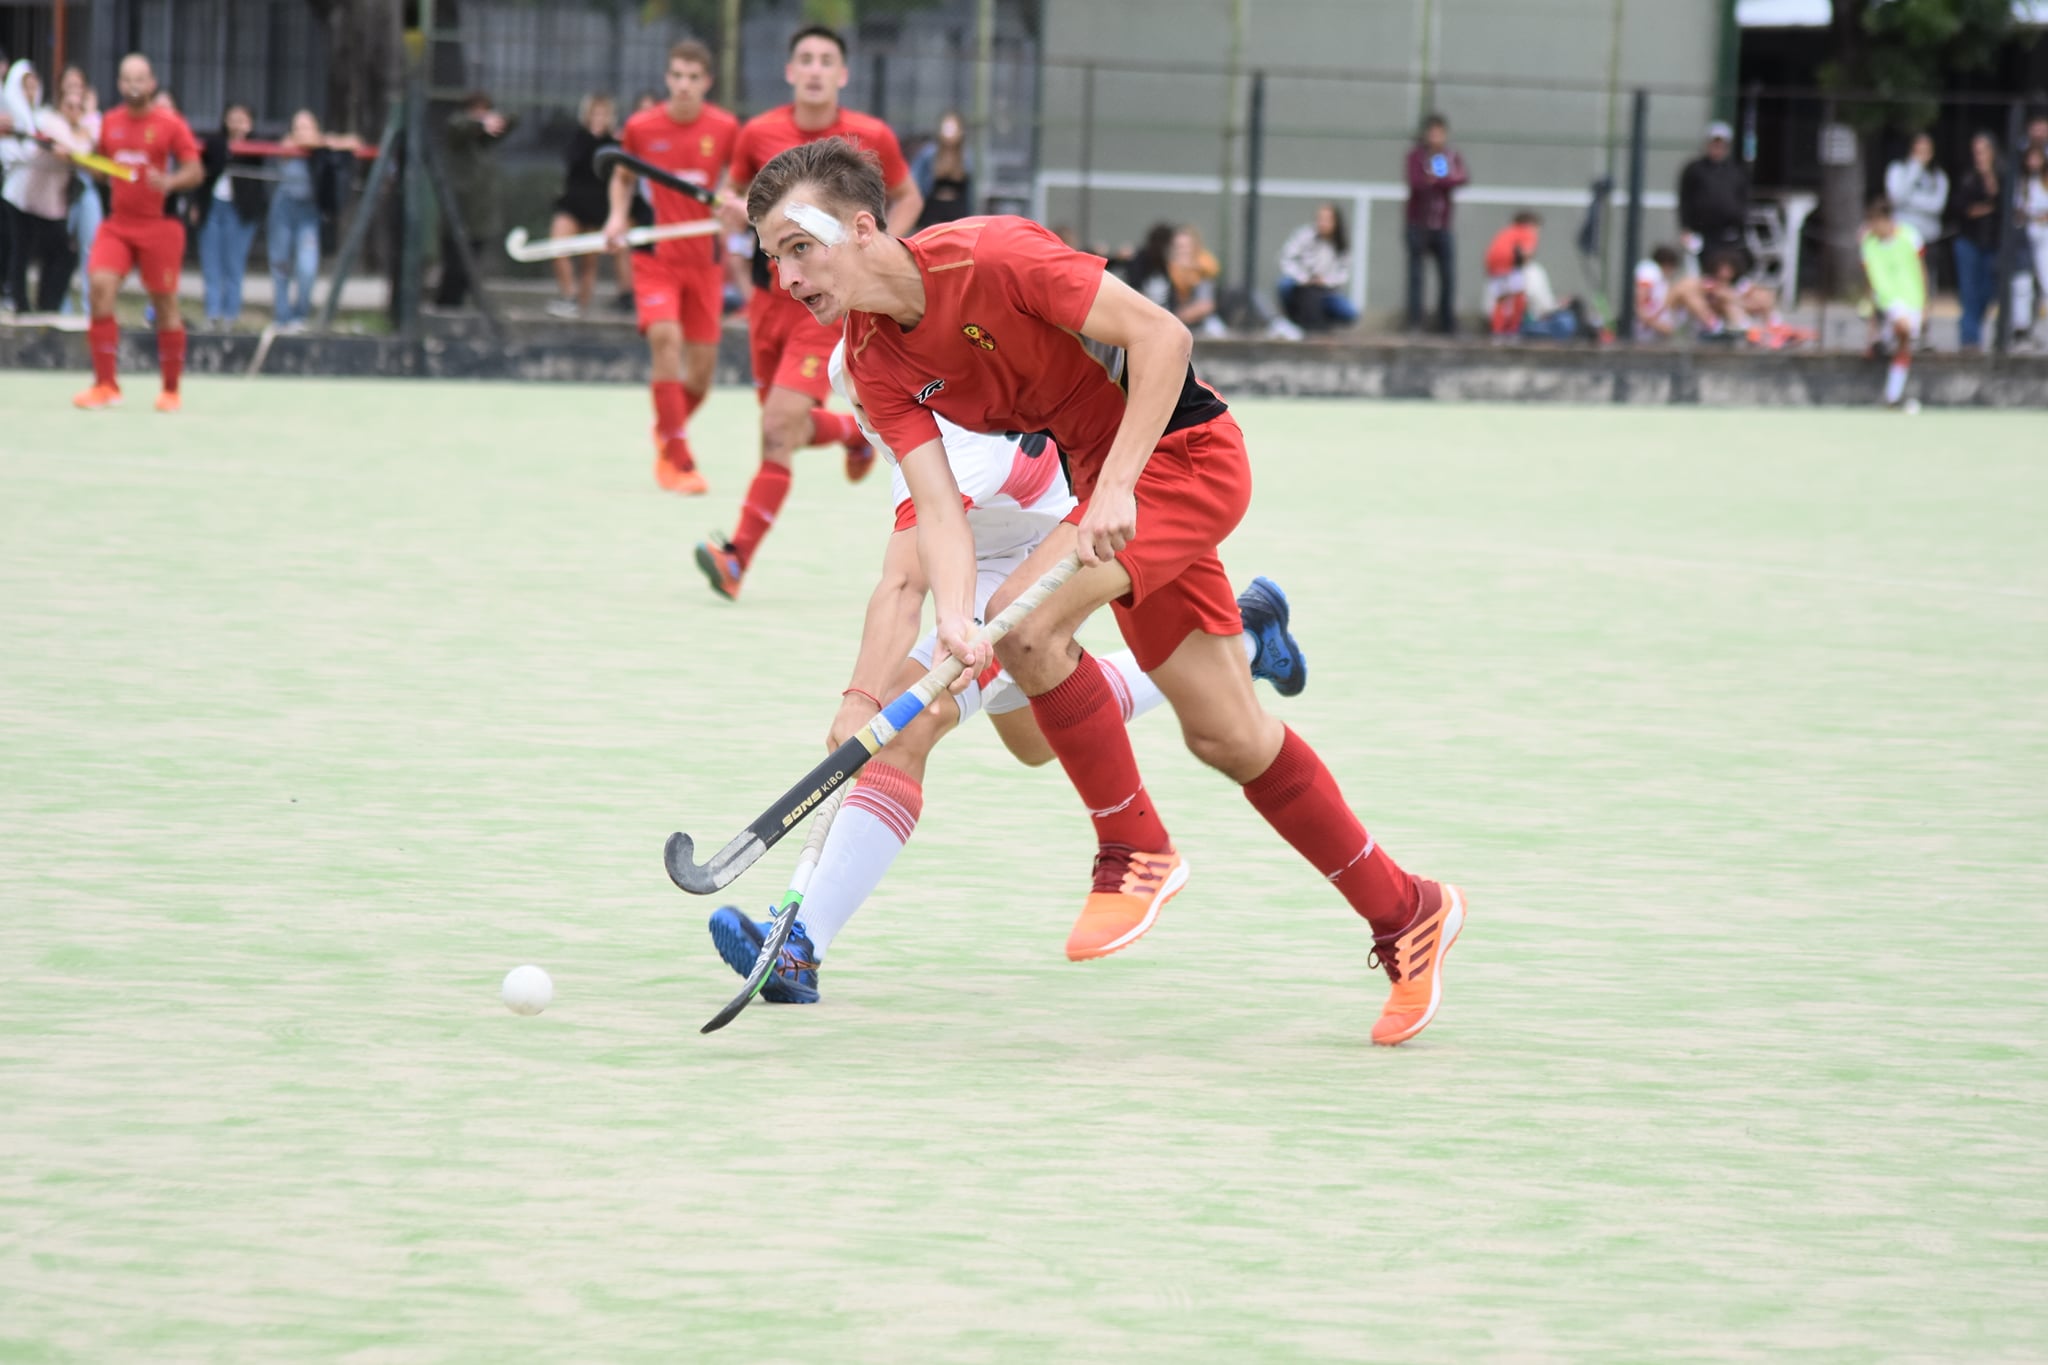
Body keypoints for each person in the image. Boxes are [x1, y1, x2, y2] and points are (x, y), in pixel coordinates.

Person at [757, 137, 1466, 1045]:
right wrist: (953, 622)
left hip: (1181, 456)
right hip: (1106, 488)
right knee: (1228, 734)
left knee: (1033, 627)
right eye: (773, 256)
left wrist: (1119, 485)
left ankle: (1134, 849)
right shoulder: (871, 360)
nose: (786, 275)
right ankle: (1408, 911)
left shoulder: (994, 256)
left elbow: (1163, 336)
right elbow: (936, 509)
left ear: (861, 229)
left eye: (799, 246)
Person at [706, 340, 1309, 1001]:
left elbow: (906, 584)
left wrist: (862, 699)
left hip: (1039, 550)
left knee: (906, 721)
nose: (868, 413)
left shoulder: (955, 443)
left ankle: (801, 946)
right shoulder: (863, 368)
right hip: (982, 547)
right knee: (1033, 740)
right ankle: (1251, 637)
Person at [693, 24, 923, 601]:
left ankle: (736, 557)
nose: (816, 69)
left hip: (824, 306)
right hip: (769, 301)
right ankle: (851, 432)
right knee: (783, 431)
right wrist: (730, 216)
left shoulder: (869, 136)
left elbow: (908, 195)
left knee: (775, 428)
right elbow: (739, 198)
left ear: (842, 75)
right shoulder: (757, 132)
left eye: (827, 60)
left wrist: (878, 257)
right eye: (806, 59)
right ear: (791, 71)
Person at [603, 41, 738, 495]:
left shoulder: (724, 128)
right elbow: (622, 176)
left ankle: (667, 425)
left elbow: (737, 183)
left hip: (705, 261)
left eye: (693, 77)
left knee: (700, 375)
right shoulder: (642, 127)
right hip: (655, 256)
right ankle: (678, 460)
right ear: (667, 78)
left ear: (707, 83)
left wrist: (734, 207)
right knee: (666, 339)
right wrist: (617, 217)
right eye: (676, 75)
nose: (683, 85)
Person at [73, 52, 202, 413]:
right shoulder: (110, 123)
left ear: (152, 83)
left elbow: (195, 170)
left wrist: (171, 181)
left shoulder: (169, 123)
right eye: (127, 79)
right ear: (118, 84)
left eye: (140, 78)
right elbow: (102, 168)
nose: (133, 85)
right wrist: (80, 159)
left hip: (157, 227)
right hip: (118, 225)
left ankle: (171, 390)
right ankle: (105, 385)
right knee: (99, 289)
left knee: (165, 304)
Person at [267, 109, 360, 330]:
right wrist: (321, 142)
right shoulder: (290, 144)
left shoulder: (322, 147)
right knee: (280, 264)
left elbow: (354, 141)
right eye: (297, 126)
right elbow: (290, 146)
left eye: (306, 126)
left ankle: (301, 314)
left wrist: (326, 142)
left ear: (316, 128)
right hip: (284, 208)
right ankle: (282, 316)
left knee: (307, 267)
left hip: (308, 212)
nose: (301, 131)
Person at [3, 61, 80, 316]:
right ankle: (19, 304)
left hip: (50, 205)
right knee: (20, 251)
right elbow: (41, 136)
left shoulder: (78, 129)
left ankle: (48, 306)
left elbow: (81, 151)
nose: (31, 92)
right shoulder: (46, 119)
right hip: (21, 197)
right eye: (69, 105)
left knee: (63, 254)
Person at [547, 93, 625, 318]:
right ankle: (569, 295)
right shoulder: (578, 138)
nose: (599, 118)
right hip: (573, 204)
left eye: (603, 114)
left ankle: (581, 307)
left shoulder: (614, 144)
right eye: (595, 113)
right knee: (558, 246)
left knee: (589, 263)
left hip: (598, 208)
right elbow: (574, 160)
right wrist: (592, 138)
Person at [436, 91, 514, 308]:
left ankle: (457, 308)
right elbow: (458, 126)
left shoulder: (487, 141)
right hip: (458, 213)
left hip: (481, 217)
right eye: (476, 110)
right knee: (454, 266)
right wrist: (480, 124)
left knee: (471, 268)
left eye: (485, 110)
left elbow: (513, 120)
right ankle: (445, 307)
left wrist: (495, 121)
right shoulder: (458, 133)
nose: (481, 115)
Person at [195, 102, 269, 328]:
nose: (237, 123)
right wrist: (196, 205)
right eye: (233, 118)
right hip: (213, 207)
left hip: (240, 211)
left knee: (233, 265)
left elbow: (257, 170)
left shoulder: (255, 149)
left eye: (242, 119)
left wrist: (241, 141)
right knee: (211, 264)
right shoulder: (214, 144)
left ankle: (230, 316)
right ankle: (213, 313)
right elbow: (202, 175)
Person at [1860, 198, 1926, 410]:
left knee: (1904, 345)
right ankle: (1885, 333)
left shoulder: (1911, 236)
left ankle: (1892, 395)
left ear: (1887, 221)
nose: (1873, 228)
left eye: (1876, 223)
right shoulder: (1868, 244)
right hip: (1887, 302)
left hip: (1912, 300)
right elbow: (1870, 282)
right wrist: (1871, 319)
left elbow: (1922, 271)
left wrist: (1926, 306)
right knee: (1904, 329)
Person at [1404, 112, 1466, 334]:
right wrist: (1435, 181)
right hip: (1417, 225)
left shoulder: (1445, 158)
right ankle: (1415, 322)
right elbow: (1417, 182)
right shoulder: (1416, 157)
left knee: (1447, 275)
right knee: (1416, 276)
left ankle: (1447, 323)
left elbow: (1455, 179)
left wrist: (1437, 180)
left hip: (1442, 226)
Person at [1677, 120, 1749, 272]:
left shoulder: (1736, 171)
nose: (1717, 148)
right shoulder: (1695, 169)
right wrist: (1685, 228)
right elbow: (1685, 199)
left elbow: (1743, 198)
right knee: (1703, 270)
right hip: (1703, 232)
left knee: (1726, 268)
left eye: (1721, 144)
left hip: (1728, 233)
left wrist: (1741, 224)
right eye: (1714, 143)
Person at [1951, 133, 2001, 350]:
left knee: (1987, 292)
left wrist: (1990, 181)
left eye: (1982, 151)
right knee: (1968, 291)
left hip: (1993, 243)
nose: (1979, 157)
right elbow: (1962, 209)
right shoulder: (1967, 177)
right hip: (1968, 242)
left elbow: (2003, 205)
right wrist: (1986, 208)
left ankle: (1970, 327)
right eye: (1976, 152)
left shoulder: (2002, 175)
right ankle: (1970, 339)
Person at [58, 67, 101, 315]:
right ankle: (61, 308)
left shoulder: (94, 121)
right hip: (58, 195)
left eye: (79, 84)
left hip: (85, 191)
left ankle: (89, 311)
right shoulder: (52, 121)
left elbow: (94, 156)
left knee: (91, 252)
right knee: (61, 254)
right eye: (69, 84)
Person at [1274, 202, 1355, 334]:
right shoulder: (1305, 235)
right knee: (1284, 284)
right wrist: (1303, 278)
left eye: (1327, 220)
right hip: (1300, 284)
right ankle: (1292, 319)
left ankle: (1324, 324)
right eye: (1320, 219)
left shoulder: (1341, 244)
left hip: (1326, 291)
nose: (1323, 223)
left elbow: (1343, 274)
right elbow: (1286, 258)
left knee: (1349, 311)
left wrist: (1325, 281)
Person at [1631, 243, 1724, 341]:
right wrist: (1654, 323)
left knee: (1690, 291)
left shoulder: (1663, 280)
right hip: (1649, 323)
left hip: (1661, 317)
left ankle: (1713, 326)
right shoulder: (1650, 269)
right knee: (1685, 286)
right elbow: (1639, 305)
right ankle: (1715, 326)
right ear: (1667, 264)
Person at [1883, 132, 1948, 260]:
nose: (1922, 155)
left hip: (1929, 239)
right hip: (1902, 238)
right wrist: (1915, 168)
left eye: (1926, 150)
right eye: (1919, 150)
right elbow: (1896, 198)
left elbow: (1937, 206)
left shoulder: (1938, 176)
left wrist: (1908, 201)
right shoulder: (1898, 169)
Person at [910, 110, 971, 229]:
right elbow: (915, 181)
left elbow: (970, 191)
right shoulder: (928, 155)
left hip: (957, 214)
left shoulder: (966, 158)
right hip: (931, 212)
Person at [2013, 144, 2048, 348]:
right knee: (2023, 284)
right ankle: (2021, 329)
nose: (2033, 163)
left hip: (2045, 239)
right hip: (2026, 238)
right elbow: (2018, 211)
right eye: (2030, 159)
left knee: (2045, 284)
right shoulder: (2022, 183)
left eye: (2037, 159)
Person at [1166, 225, 1226, 337]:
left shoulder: (1204, 267)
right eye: (1178, 246)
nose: (1182, 251)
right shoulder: (1167, 269)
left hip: (1201, 323)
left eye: (1186, 246)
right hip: (1175, 319)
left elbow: (1205, 305)